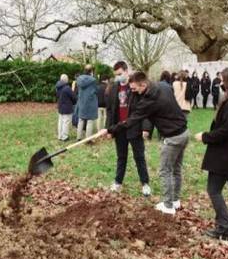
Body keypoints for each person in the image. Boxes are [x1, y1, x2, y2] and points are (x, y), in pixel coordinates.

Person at [107, 72, 189, 215]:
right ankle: (175, 201)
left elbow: (132, 120)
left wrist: (111, 129)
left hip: (173, 138)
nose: (133, 92)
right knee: (176, 169)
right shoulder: (163, 86)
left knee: (165, 170)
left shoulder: (149, 101)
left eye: (134, 89)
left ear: (143, 85)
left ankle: (168, 206)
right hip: (184, 132)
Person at [194, 66, 228, 241]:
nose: (221, 83)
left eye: (223, 80)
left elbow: (227, 130)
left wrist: (205, 136)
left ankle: (225, 227)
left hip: (225, 154)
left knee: (214, 190)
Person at [105, 62, 151, 196]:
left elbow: (145, 109)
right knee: (121, 157)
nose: (118, 77)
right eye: (116, 75)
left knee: (139, 157)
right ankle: (118, 182)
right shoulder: (114, 88)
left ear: (126, 71)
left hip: (134, 127)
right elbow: (110, 111)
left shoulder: (134, 87)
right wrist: (110, 129)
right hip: (119, 128)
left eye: (120, 74)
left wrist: (145, 128)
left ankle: (145, 183)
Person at [76, 65, 99, 140]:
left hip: (82, 102)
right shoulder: (93, 80)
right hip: (90, 103)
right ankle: (88, 138)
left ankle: (78, 137)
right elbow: (96, 90)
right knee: (90, 121)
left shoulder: (78, 79)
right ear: (91, 71)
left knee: (81, 119)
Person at [56, 74, 77, 141]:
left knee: (60, 122)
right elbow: (74, 97)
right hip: (67, 107)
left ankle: (60, 136)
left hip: (60, 106)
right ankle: (65, 136)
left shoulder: (57, 87)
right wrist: (73, 89)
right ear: (66, 80)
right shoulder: (67, 88)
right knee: (66, 122)